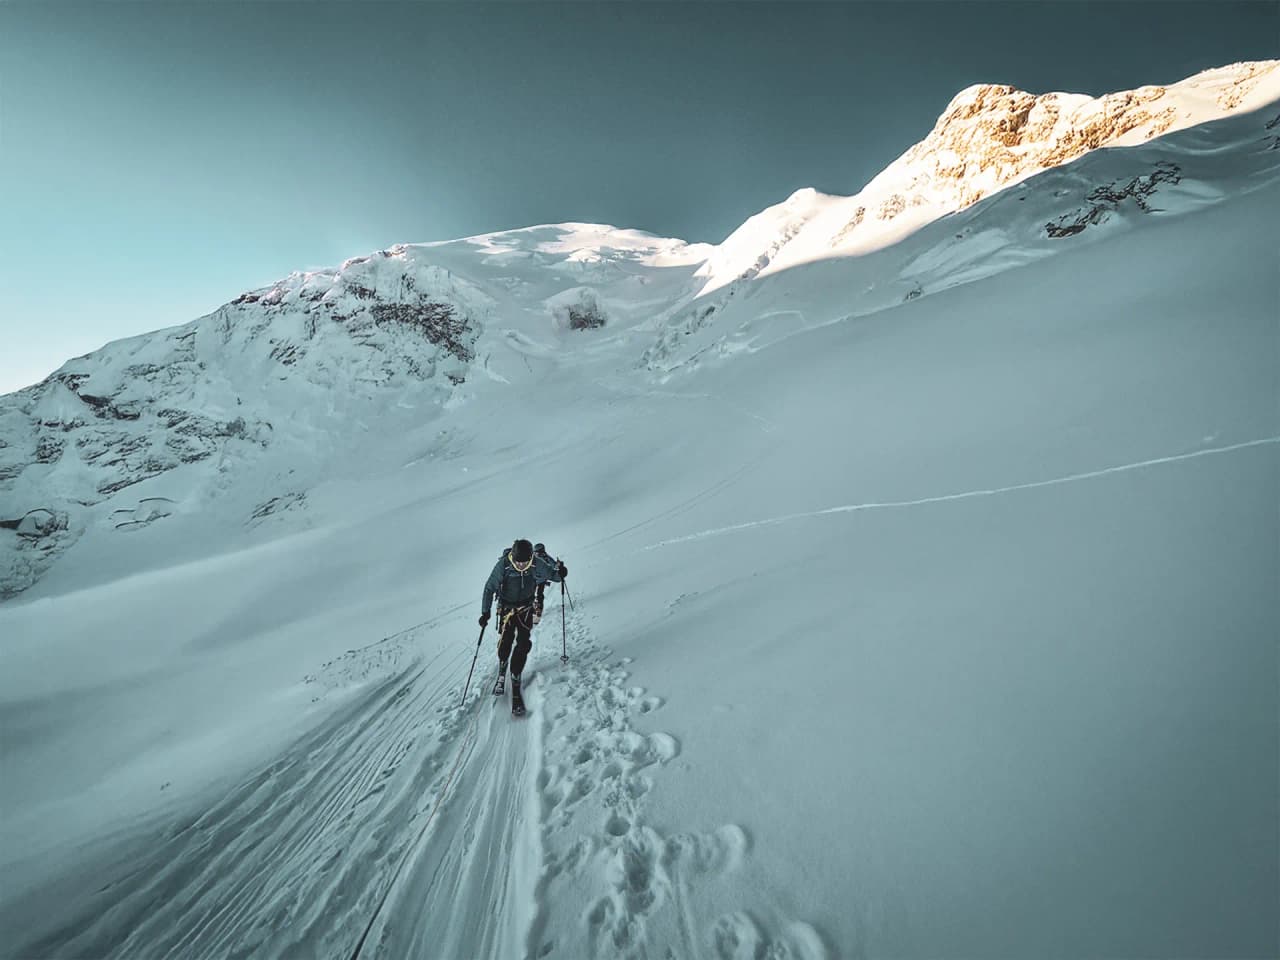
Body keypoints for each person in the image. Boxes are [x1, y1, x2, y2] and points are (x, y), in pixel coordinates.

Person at [480, 538, 567, 712]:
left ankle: (515, 673)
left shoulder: (535, 563)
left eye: (525, 562)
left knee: (524, 643)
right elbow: (489, 587)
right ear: (513, 556)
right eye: (518, 562)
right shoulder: (503, 565)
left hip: (526, 610)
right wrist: (485, 612)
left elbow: (553, 575)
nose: (521, 565)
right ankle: (503, 667)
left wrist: (561, 573)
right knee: (505, 641)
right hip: (506, 610)